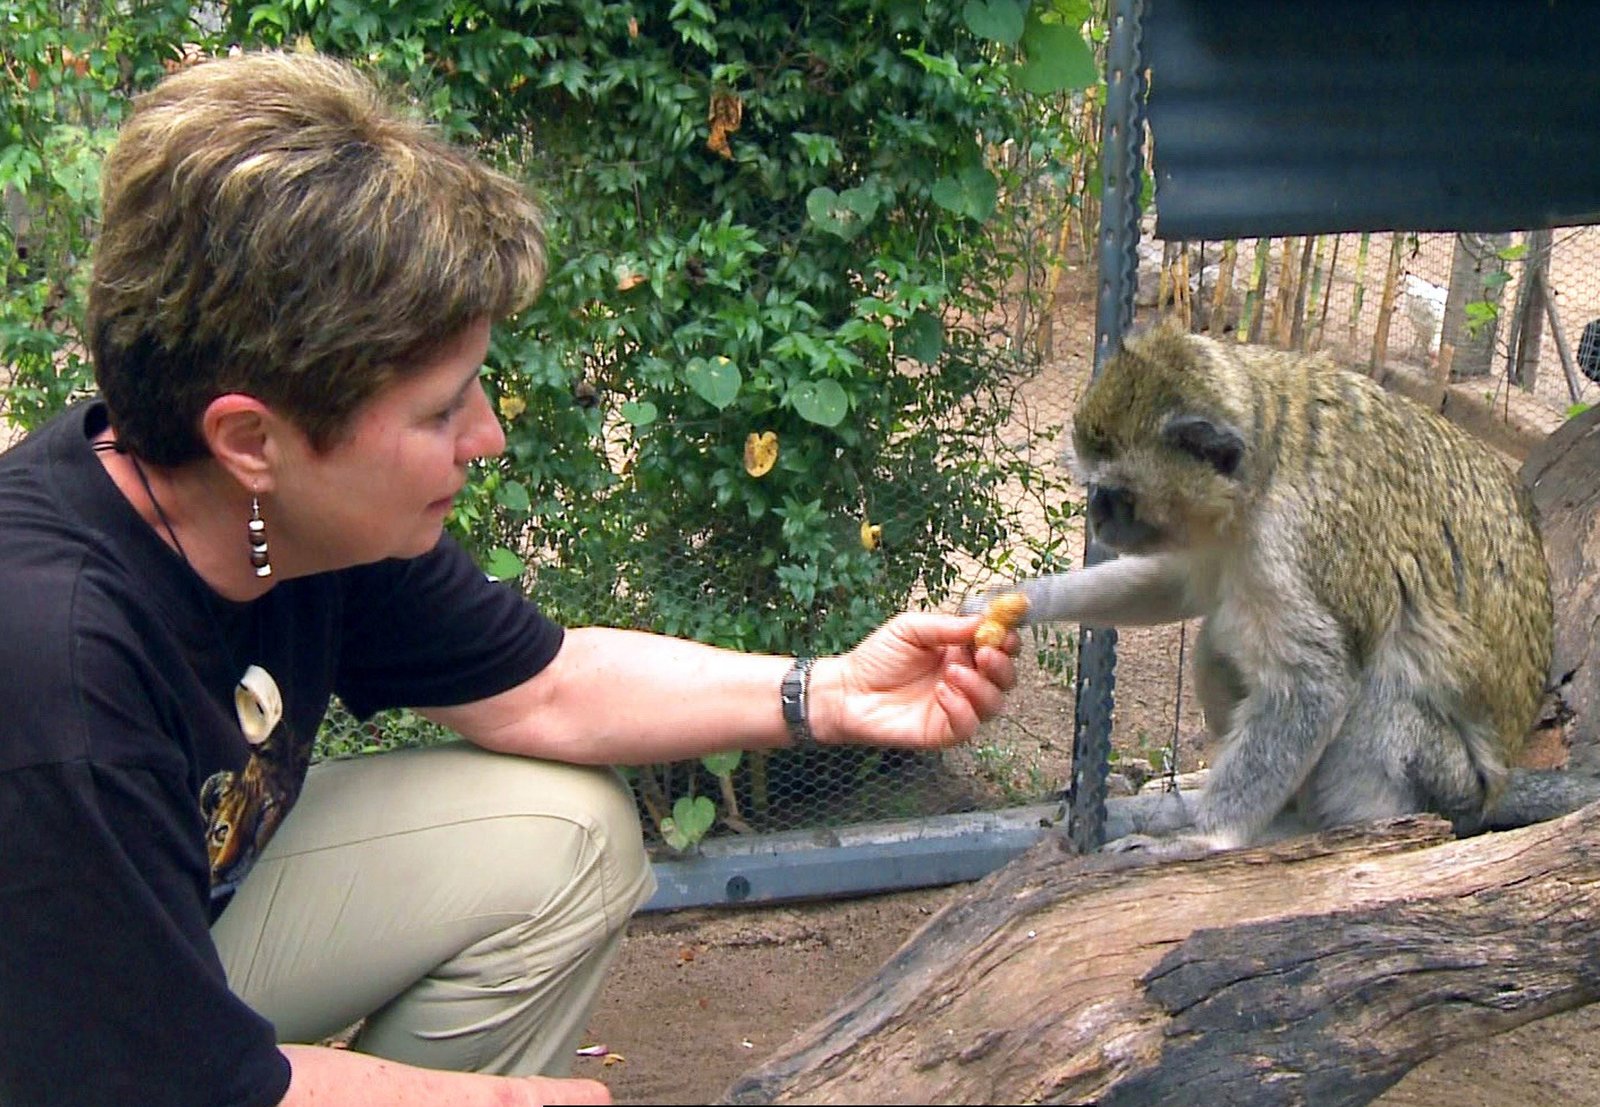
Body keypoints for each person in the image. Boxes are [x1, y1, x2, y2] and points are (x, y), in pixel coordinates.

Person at [0, 48, 1019, 1107]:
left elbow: (547, 689)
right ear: (251, 438)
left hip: (147, 946)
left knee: (563, 832)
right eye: (441, 410)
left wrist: (831, 692)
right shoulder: (55, 674)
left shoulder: (286, 518)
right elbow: (168, 1084)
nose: (486, 436)